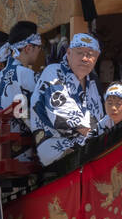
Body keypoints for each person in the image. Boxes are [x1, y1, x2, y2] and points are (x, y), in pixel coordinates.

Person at [30, 33, 109, 166]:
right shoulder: (53, 72)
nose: (85, 58)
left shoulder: (92, 82)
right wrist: (101, 135)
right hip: (56, 146)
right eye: (79, 53)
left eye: (91, 55)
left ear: (96, 59)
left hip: (88, 144)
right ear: (68, 53)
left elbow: (101, 118)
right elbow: (63, 117)